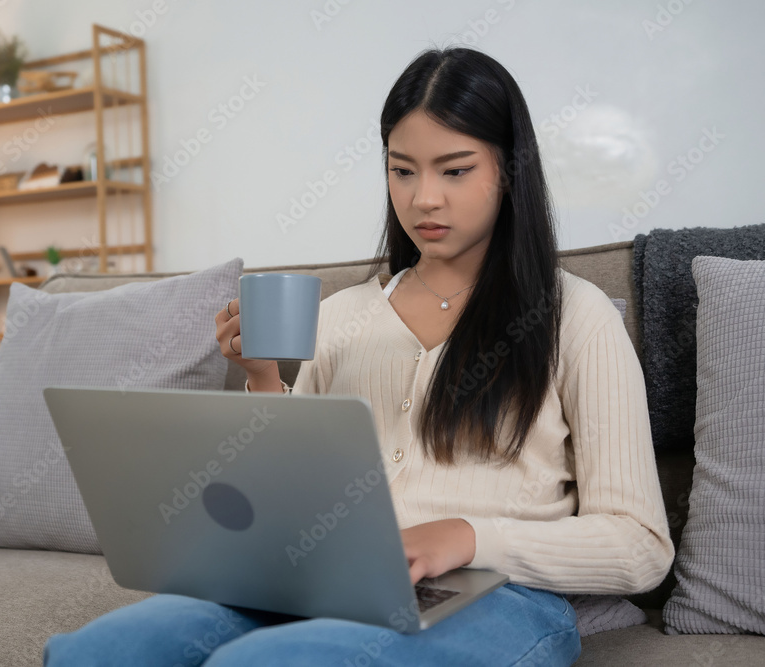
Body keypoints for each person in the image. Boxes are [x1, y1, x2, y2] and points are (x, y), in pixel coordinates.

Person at [44, 45, 674, 667]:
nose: (424, 198)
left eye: (454, 170)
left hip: (500, 596)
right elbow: (290, 500)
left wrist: (467, 536)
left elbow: (641, 546)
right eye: (403, 170)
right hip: (325, 580)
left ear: (508, 171)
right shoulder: (340, 318)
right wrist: (263, 379)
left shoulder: (576, 317)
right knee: (99, 651)